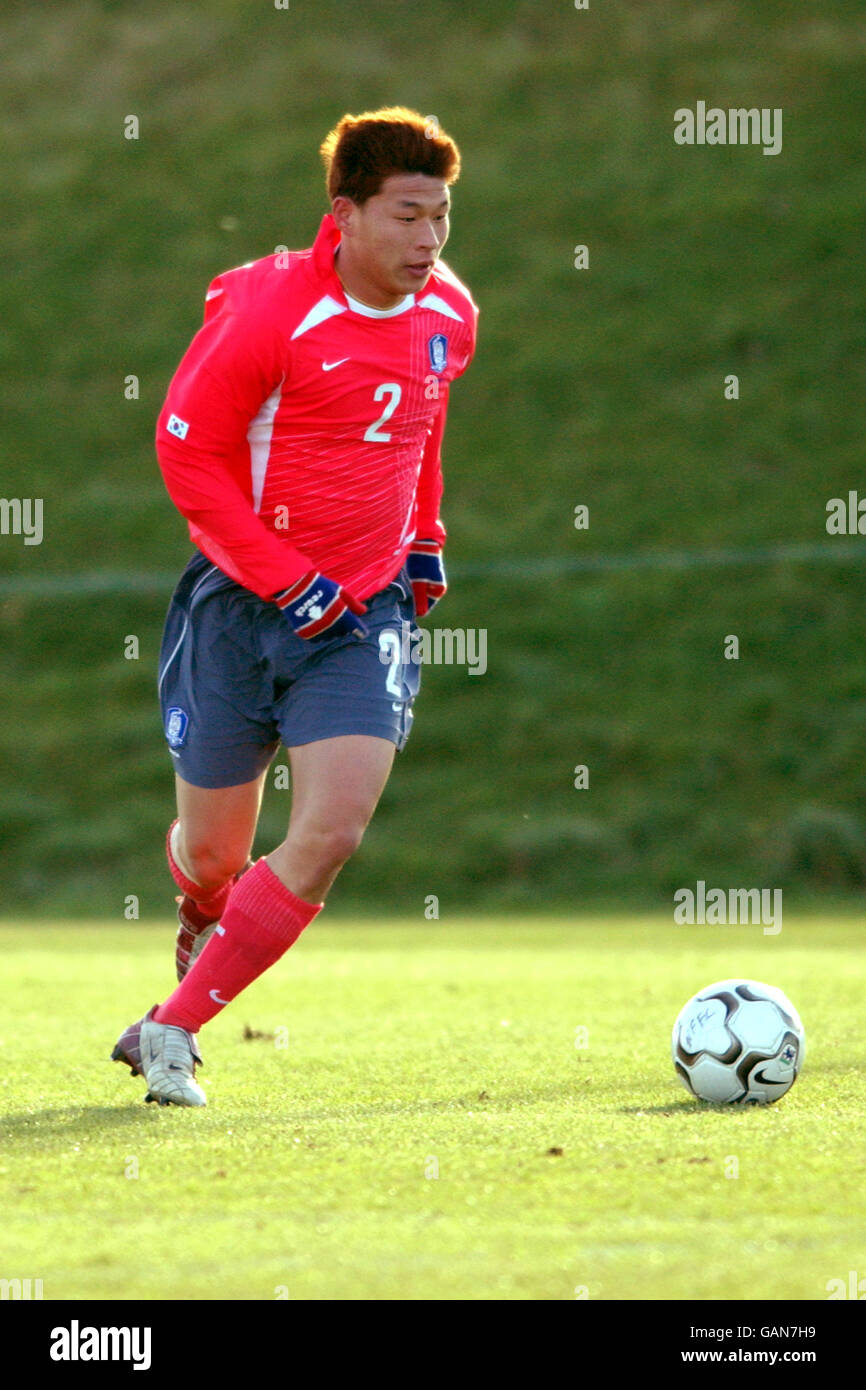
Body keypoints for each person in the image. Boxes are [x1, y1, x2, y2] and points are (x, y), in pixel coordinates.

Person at [111, 106, 478, 1105]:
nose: (427, 240)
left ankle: (172, 1027)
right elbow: (185, 453)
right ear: (347, 213)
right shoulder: (273, 312)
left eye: (440, 217)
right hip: (237, 608)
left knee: (329, 831)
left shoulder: (449, 314)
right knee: (214, 855)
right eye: (406, 215)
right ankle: (200, 906)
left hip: (361, 620)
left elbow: (424, 433)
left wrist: (424, 538)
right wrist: (285, 577)